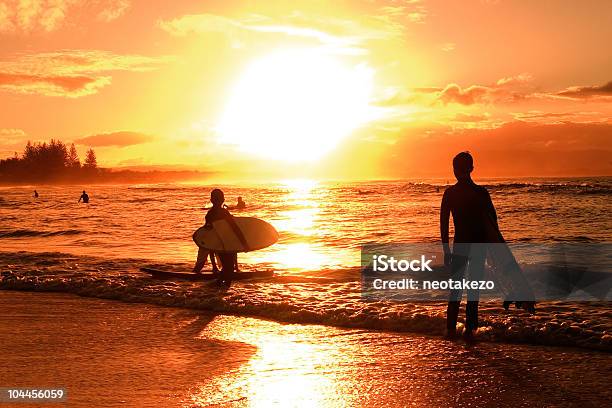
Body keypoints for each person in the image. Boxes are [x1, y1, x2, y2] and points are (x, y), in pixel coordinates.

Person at [440, 152, 496, 341]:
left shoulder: (481, 193)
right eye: (457, 168)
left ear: (471, 168)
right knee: (460, 291)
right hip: (464, 247)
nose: (460, 172)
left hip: (471, 247)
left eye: (464, 168)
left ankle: (465, 331)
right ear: (454, 170)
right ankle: (456, 332)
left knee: (468, 291)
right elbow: (444, 223)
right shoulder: (452, 193)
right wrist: (446, 250)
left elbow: (492, 224)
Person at [192, 189, 248, 286]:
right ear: (212, 200)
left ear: (222, 200)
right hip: (220, 244)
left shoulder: (221, 213)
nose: (218, 201)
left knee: (229, 270)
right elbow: (210, 236)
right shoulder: (213, 214)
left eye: (219, 199)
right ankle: (215, 285)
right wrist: (244, 243)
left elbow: (234, 228)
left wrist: (244, 244)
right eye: (216, 199)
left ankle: (218, 286)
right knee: (227, 269)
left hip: (226, 244)